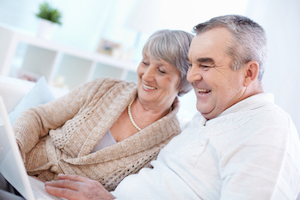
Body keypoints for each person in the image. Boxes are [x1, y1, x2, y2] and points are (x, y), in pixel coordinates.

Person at [44, 14, 300, 200]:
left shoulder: (268, 131)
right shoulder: (206, 120)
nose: (190, 77)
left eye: (206, 65)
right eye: (191, 65)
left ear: (248, 73)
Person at [0, 29, 194, 198]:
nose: (146, 75)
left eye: (161, 70)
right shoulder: (104, 88)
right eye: (145, 62)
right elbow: (40, 117)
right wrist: (14, 148)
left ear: (183, 81)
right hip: (18, 171)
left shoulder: (171, 144)